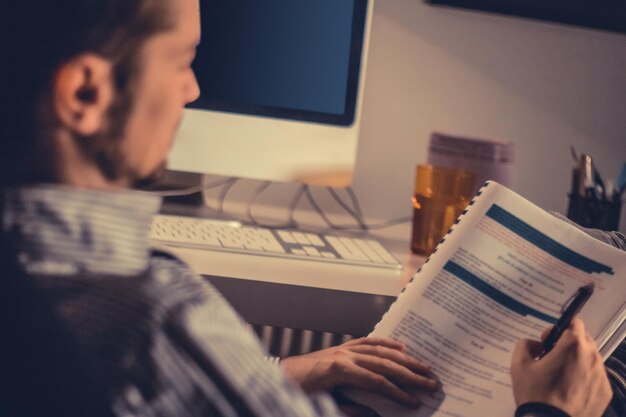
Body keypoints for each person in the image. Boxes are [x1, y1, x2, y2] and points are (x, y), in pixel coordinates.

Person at [0, 1, 612, 416]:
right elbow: (153, 354)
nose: (192, 90)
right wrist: (546, 412)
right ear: (85, 93)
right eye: (184, 62)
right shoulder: (157, 321)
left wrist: (280, 373)